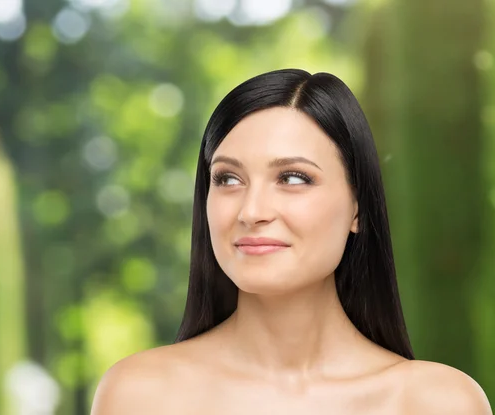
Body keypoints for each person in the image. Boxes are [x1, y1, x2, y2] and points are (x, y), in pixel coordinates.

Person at [91, 69, 492, 414]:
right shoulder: (140, 396)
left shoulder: (436, 403)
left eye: (293, 178)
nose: (251, 210)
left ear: (358, 208)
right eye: (228, 179)